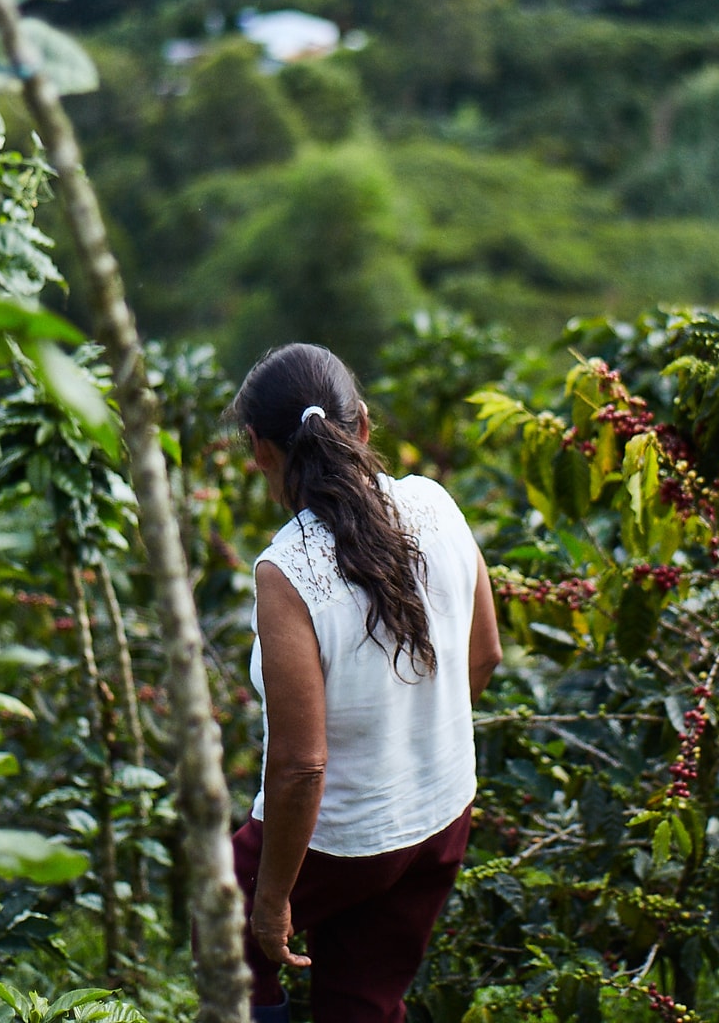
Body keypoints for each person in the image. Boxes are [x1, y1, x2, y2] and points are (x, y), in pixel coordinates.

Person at [228, 342, 502, 1023]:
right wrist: (411, 748)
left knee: (227, 938)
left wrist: (269, 901)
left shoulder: (287, 571)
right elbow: (487, 653)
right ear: (365, 426)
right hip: (440, 815)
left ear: (258, 449)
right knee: (363, 1004)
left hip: (341, 837)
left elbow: (300, 767)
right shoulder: (436, 506)